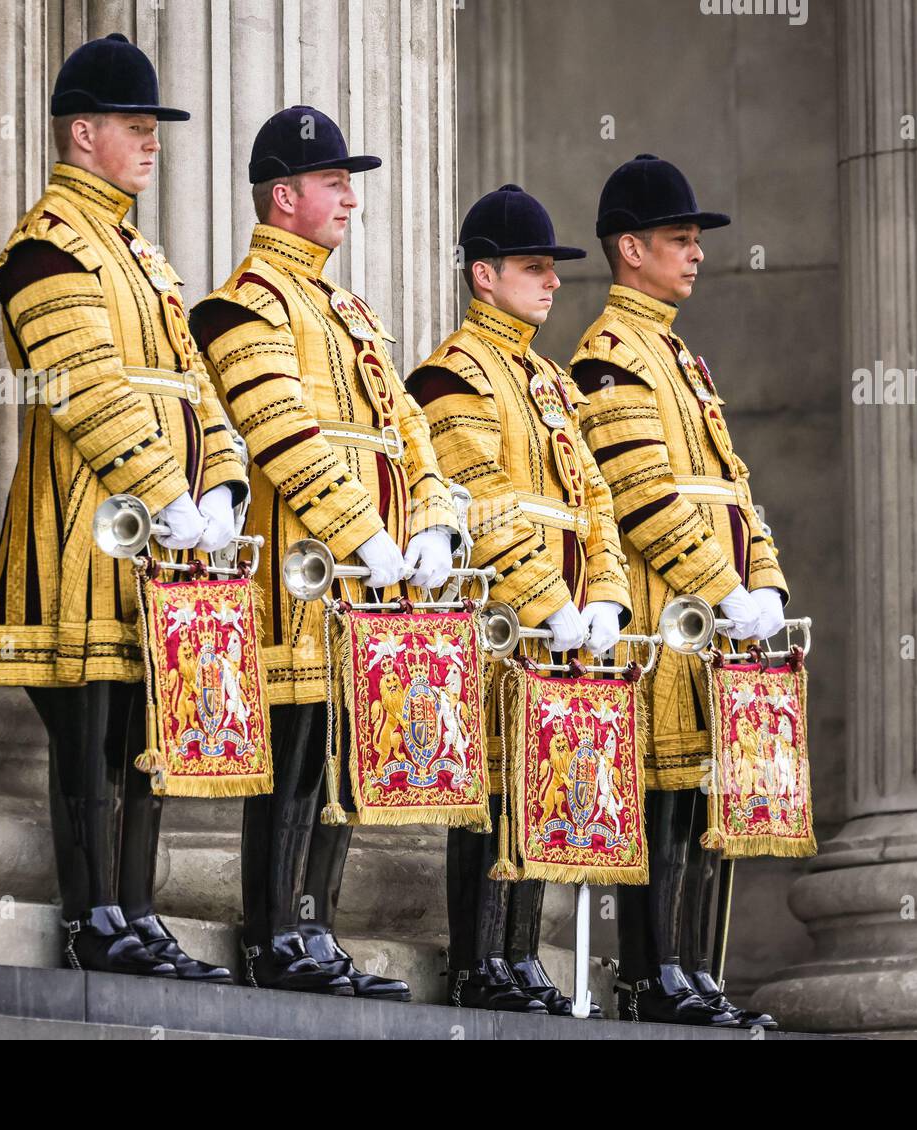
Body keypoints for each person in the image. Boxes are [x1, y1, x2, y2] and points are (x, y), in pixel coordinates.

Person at [0, 34, 247, 981]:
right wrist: (167, 491)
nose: (154, 143)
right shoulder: (47, 240)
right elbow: (87, 387)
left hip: (161, 539)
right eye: (138, 128)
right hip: (86, 526)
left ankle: (136, 909)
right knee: (90, 727)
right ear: (82, 133)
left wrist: (219, 482)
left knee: (147, 727)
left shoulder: (142, 253)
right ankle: (92, 917)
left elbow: (193, 382)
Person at [190, 106, 458, 1000]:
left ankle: (315, 926)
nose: (350, 198)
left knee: (343, 761)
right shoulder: (247, 302)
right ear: (284, 195)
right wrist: (363, 535)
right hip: (299, 579)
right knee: (295, 756)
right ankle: (275, 937)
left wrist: (430, 523)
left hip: (365, 586)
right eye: (335, 182)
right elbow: (283, 434)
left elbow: (407, 431)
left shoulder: (350, 310)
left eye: (349, 184)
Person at [569, 154, 785, 1026]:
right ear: (630, 248)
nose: (695, 255)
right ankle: (653, 973)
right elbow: (644, 498)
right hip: (666, 613)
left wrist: (763, 579)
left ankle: (698, 973)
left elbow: (733, 483)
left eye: (695, 241)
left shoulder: (677, 356)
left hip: (713, 613)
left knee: (708, 805)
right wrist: (724, 587)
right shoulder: (610, 354)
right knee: (659, 796)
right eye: (679, 240)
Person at [406, 185, 631, 1014]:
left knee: (545, 779)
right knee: (492, 786)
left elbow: (595, 500)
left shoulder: (549, 383)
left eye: (553, 267)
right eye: (536, 267)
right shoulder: (451, 373)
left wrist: (605, 595)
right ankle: (478, 961)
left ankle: (519, 954)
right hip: (504, 618)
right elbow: (481, 498)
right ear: (484, 274)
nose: (554, 281)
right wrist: (547, 598)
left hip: (564, 616)